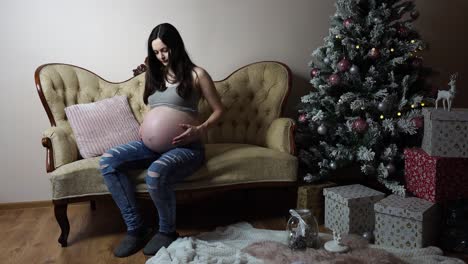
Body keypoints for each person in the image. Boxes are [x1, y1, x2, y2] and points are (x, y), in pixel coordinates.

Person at [99, 23, 225, 258]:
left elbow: (219, 110)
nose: (161, 56)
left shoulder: (198, 74)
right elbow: (156, 107)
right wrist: (148, 128)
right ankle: (136, 228)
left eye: (165, 50)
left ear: (176, 45)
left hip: (186, 147)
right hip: (149, 147)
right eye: (156, 52)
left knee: (154, 174)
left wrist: (200, 129)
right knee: (108, 161)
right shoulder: (153, 75)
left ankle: (167, 231)